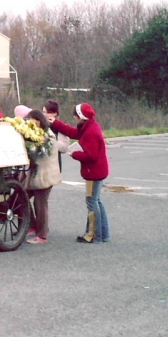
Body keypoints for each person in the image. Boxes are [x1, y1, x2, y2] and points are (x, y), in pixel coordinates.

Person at [51, 103, 110, 244]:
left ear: (81, 117)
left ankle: (93, 235)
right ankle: (104, 234)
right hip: (99, 170)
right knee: (97, 201)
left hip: (94, 172)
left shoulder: (91, 132)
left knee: (92, 202)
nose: (75, 119)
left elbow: (91, 155)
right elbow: (73, 133)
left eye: (76, 117)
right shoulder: (89, 126)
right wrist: (57, 124)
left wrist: (74, 153)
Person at [25, 109, 63, 244]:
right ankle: (31, 225)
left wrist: (30, 149)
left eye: (31, 120)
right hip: (38, 174)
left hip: (45, 175)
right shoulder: (40, 134)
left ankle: (42, 235)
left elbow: (43, 154)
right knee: (22, 197)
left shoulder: (47, 136)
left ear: (38, 121)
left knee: (40, 203)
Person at [42, 99, 70, 171]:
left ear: (55, 113)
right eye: (44, 112)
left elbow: (64, 148)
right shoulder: (39, 125)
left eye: (48, 112)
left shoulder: (60, 127)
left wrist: (49, 141)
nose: (45, 115)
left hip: (53, 164)